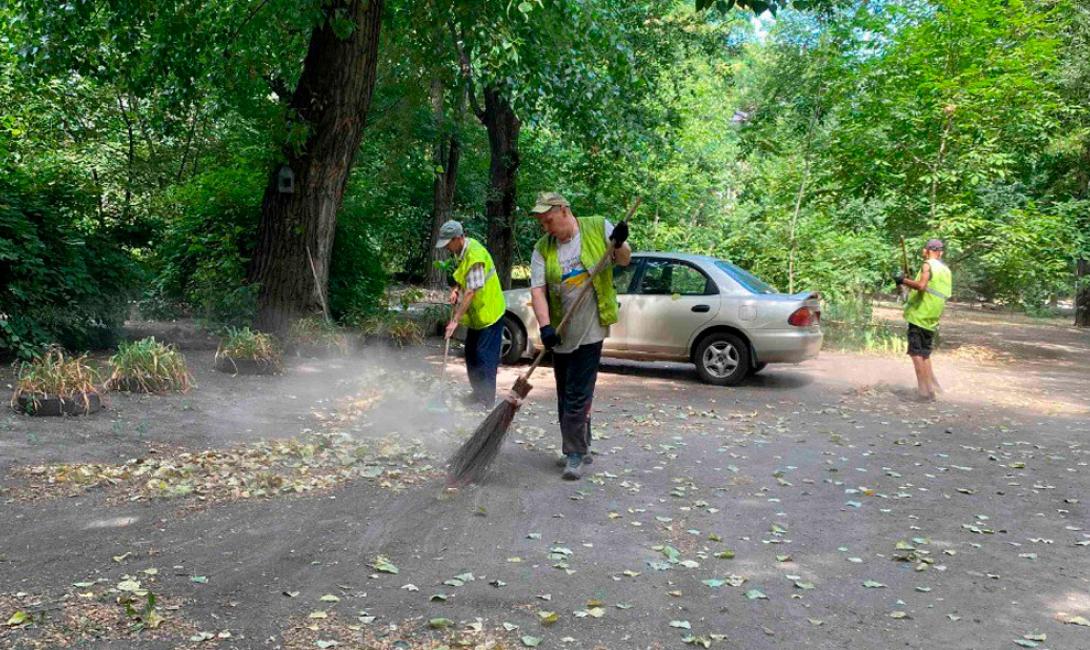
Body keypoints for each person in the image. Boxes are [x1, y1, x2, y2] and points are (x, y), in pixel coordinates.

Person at [528, 192, 631, 480]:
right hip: (562, 329)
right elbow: (537, 290)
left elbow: (623, 260)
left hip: (591, 324)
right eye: (542, 224)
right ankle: (582, 445)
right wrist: (546, 326)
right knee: (565, 390)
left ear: (563, 210)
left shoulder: (598, 227)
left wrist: (620, 242)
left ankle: (573, 453)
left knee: (577, 391)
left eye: (548, 220)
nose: (546, 228)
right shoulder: (542, 248)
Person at [436, 220, 506, 408]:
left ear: (458, 238)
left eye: (448, 243)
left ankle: (486, 401)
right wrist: (455, 289)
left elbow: (471, 292)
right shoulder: (462, 251)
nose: (447, 248)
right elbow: (463, 278)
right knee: (471, 354)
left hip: (489, 314)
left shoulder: (475, 254)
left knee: (484, 356)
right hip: (477, 317)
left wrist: (455, 321)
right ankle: (477, 394)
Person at [895, 238, 952, 401]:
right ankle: (930, 388)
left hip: (920, 314)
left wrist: (902, 280)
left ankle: (923, 392)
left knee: (916, 353)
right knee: (925, 354)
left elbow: (921, 286)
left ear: (927, 251)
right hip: (932, 316)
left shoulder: (928, 265)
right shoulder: (945, 270)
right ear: (940, 252)